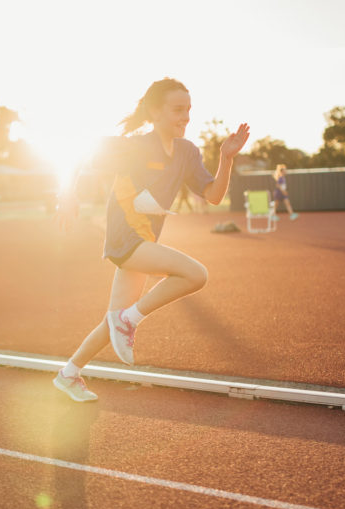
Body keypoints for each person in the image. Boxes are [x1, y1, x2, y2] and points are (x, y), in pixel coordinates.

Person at [53, 78, 249, 402]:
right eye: (177, 109)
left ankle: (69, 374)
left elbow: (214, 195)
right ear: (156, 112)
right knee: (195, 274)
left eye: (188, 109)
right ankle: (129, 320)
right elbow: (79, 154)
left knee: (111, 323)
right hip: (124, 238)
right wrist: (67, 194)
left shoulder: (187, 152)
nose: (186, 116)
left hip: (144, 241)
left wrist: (226, 158)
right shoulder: (133, 146)